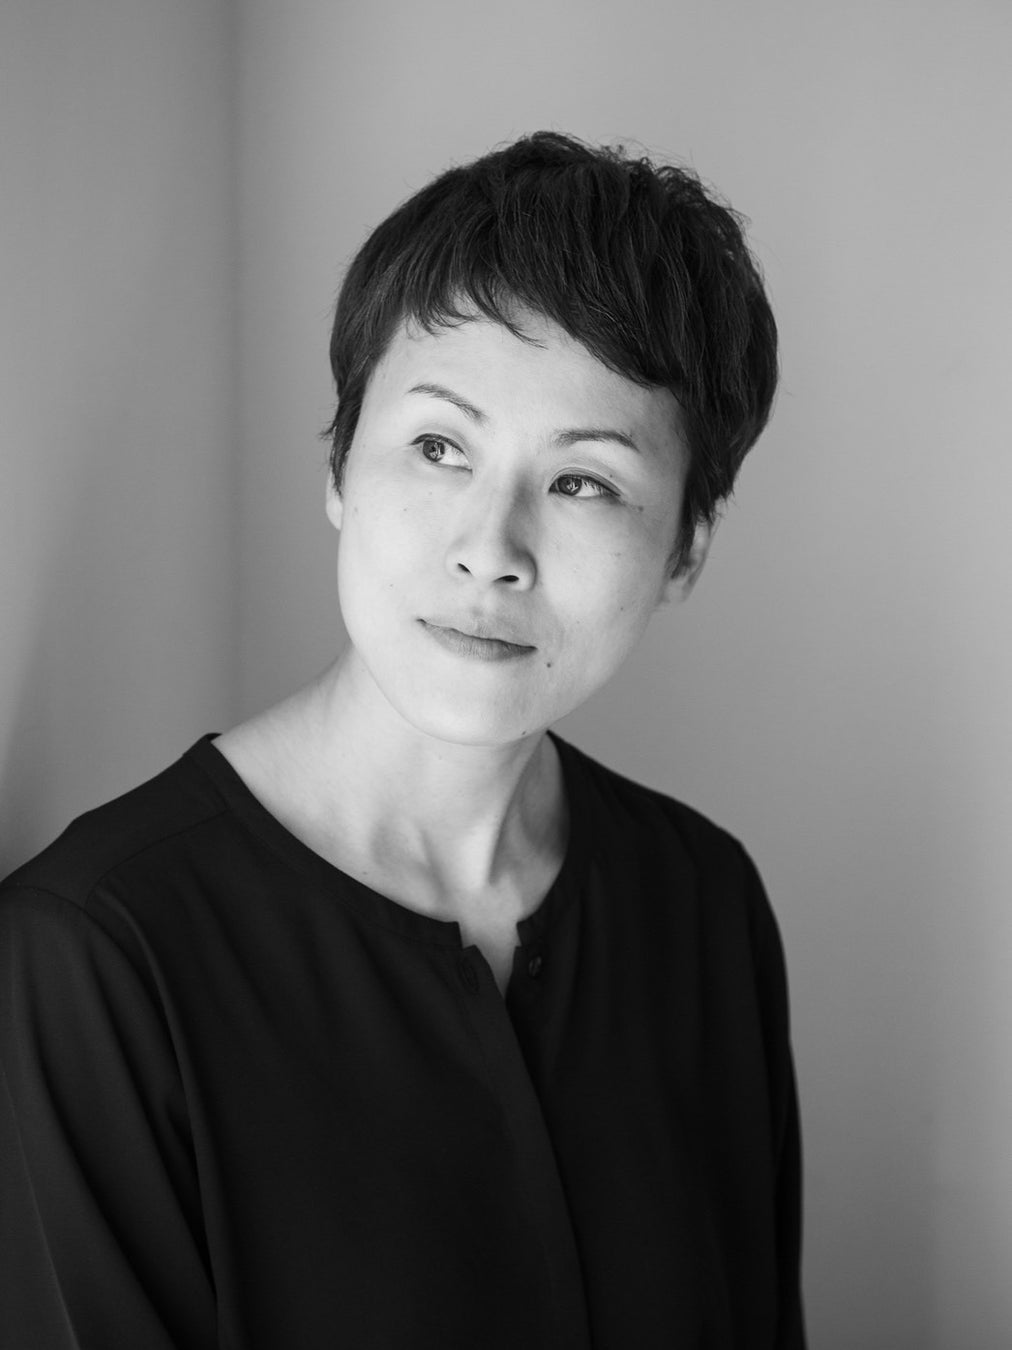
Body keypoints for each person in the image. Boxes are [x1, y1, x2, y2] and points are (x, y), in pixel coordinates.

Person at [0, 132, 805, 1348]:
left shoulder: (701, 901)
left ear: (685, 547)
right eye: (439, 448)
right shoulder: (93, 960)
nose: (492, 550)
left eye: (583, 481)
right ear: (339, 465)